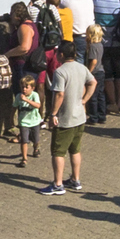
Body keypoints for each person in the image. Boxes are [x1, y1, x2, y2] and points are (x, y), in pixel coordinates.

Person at [45, 38, 93, 196]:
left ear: (62, 54)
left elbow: (59, 94)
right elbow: (93, 82)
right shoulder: (82, 67)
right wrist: (84, 100)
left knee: (58, 152)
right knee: (75, 150)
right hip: (80, 117)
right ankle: (75, 179)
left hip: (65, 119)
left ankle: (58, 184)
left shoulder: (60, 72)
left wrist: (53, 114)